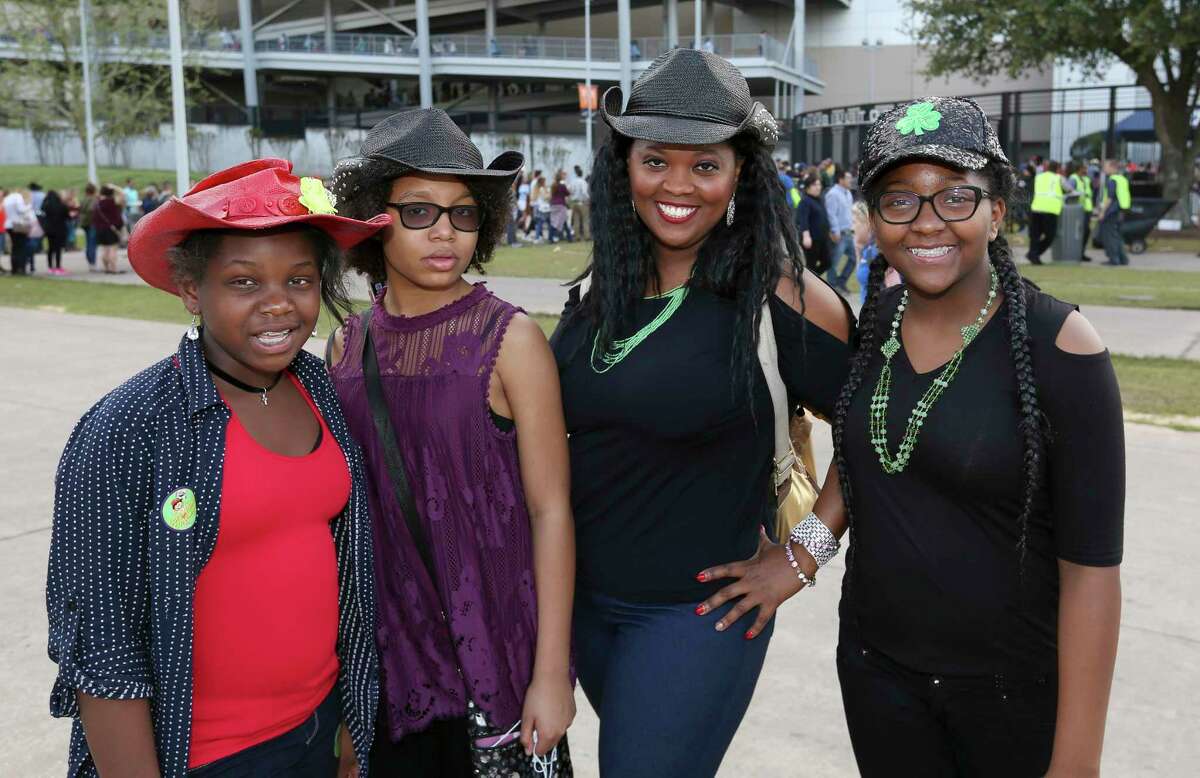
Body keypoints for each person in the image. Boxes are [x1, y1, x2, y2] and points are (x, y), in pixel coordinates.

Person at [700, 97, 1124, 777]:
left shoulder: (1063, 348)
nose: (928, 222)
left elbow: (1093, 573)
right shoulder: (880, 319)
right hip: (876, 674)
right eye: (900, 201)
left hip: (1011, 693)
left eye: (956, 197)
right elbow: (859, 454)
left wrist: (1077, 760)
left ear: (999, 212)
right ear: (873, 219)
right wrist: (799, 557)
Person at [550, 49, 852, 777]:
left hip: (695, 618)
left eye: (705, 165)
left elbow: (884, 429)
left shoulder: (783, 298)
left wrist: (801, 558)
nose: (677, 185)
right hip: (583, 610)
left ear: (739, 172)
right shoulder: (600, 290)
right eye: (656, 160)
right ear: (625, 166)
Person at [45, 158, 390, 778]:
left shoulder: (321, 389)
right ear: (190, 291)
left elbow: (343, 577)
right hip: (205, 758)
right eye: (244, 282)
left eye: (300, 280)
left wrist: (347, 727)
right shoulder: (128, 429)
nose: (279, 305)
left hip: (319, 732)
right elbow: (100, 647)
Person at [327, 108, 577, 776]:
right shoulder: (345, 347)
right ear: (373, 219)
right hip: (387, 666)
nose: (444, 232)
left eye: (463, 214)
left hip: (494, 662)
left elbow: (552, 510)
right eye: (419, 211)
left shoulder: (512, 339)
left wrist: (552, 672)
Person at [825, 165, 856, 292]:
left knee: (854, 259)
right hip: (839, 234)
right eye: (848, 178)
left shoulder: (848, 193)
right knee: (834, 262)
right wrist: (835, 231)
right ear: (840, 179)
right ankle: (832, 286)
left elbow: (849, 213)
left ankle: (841, 282)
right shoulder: (833, 194)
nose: (851, 180)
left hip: (849, 233)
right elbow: (831, 214)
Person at [795, 172, 832, 275]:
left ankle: (811, 281)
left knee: (827, 262)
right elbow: (803, 221)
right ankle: (809, 284)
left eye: (819, 184)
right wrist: (806, 236)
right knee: (811, 265)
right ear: (808, 187)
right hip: (812, 239)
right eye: (815, 185)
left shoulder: (819, 200)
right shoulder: (805, 201)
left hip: (823, 238)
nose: (818, 187)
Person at [1028, 159, 1064, 264]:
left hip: (1036, 208)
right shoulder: (1059, 178)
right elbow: (1069, 189)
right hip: (1050, 210)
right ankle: (1034, 254)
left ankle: (1033, 255)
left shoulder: (1039, 177)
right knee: (1050, 236)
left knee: (1035, 235)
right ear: (1057, 169)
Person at [1097, 159, 1131, 266]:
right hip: (1121, 209)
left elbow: (1110, 198)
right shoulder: (1122, 179)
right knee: (1117, 236)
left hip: (1112, 211)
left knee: (1109, 236)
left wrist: (1102, 212)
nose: (1104, 169)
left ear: (1113, 168)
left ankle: (1114, 259)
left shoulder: (1112, 180)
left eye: (1106, 167)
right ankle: (1123, 259)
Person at [92, 185, 124, 274]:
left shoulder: (98, 203)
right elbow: (122, 193)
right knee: (113, 249)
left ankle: (106, 268)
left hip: (100, 229)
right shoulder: (112, 201)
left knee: (105, 250)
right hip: (111, 229)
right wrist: (114, 187)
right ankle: (113, 269)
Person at [851, 200, 878, 304]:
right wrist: (858, 251)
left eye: (854, 222)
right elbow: (861, 277)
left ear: (867, 223)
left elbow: (893, 295)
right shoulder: (868, 249)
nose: (852, 228)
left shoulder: (878, 252)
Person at [1067, 161, 1094, 262]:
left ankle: (1081, 253)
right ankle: (1075, 253)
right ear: (1079, 169)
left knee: (1086, 232)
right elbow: (1070, 193)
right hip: (1077, 210)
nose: (1086, 171)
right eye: (1084, 168)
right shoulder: (1073, 178)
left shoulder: (1086, 179)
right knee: (1077, 232)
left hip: (1087, 209)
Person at [39, 189, 70, 275]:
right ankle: (58, 266)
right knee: (58, 249)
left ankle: (50, 267)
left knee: (50, 248)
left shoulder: (45, 205)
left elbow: (41, 215)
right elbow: (67, 217)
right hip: (59, 229)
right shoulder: (62, 206)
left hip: (49, 229)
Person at [4, 188, 34, 275]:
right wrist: (29, 206)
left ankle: (14, 268)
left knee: (15, 248)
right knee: (21, 248)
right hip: (18, 225)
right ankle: (21, 269)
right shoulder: (18, 197)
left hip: (9, 224)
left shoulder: (7, 198)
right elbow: (21, 210)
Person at [79, 183, 98, 270]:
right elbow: (91, 209)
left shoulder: (83, 199)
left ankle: (90, 261)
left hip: (84, 223)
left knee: (88, 242)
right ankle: (92, 262)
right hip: (92, 223)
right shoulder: (93, 199)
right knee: (92, 243)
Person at [568, 164, 590, 241]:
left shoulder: (572, 182)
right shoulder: (583, 182)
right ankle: (586, 236)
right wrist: (588, 199)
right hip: (582, 202)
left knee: (576, 220)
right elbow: (584, 192)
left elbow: (570, 191)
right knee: (585, 220)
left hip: (574, 202)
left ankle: (577, 236)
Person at [549, 169, 571, 242]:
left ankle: (550, 238)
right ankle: (569, 238)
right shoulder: (562, 186)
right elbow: (567, 193)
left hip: (553, 205)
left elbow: (551, 195)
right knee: (563, 221)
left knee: (554, 221)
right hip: (561, 205)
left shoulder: (552, 185)